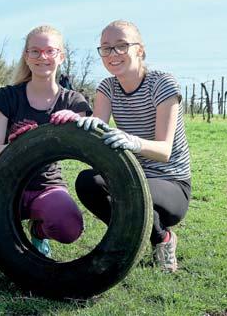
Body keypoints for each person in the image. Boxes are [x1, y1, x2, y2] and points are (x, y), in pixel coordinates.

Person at [0, 25, 92, 264]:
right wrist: (21, 146)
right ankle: (2, 237)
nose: (43, 57)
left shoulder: (73, 101)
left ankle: (38, 232)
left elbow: (90, 149)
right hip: (8, 184)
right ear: (26, 56)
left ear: (61, 56)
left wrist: (77, 122)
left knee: (68, 225)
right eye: (35, 51)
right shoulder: (8, 96)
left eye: (50, 51)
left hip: (47, 186)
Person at [75, 20, 191, 272]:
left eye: (121, 46)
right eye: (106, 48)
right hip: (133, 177)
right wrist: (75, 122)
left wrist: (132, 141)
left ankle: (161, 239)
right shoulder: (107, 87)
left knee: (128, 191)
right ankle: (152, 237)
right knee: (88, 182)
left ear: (140, 49)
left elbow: (164, 150)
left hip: (170, 183)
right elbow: (97, 131)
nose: (112, 54)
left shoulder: (162, 83)